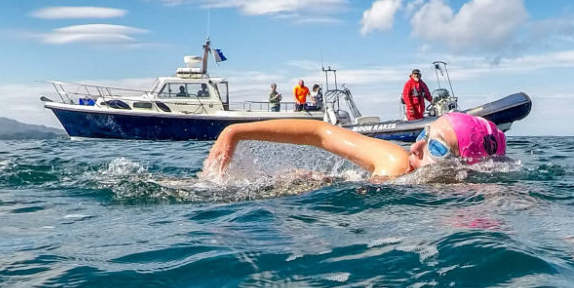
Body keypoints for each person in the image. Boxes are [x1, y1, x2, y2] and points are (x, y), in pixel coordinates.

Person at [203, 112, 506, 179]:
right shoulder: (395, 162)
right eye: (424, 134)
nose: (416, 147)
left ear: (462, 167)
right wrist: (235, 131)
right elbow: (321, 133)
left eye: (435, 149)